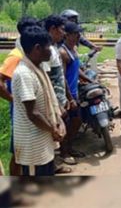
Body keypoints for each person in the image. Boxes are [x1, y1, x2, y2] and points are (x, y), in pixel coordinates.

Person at [12, 25, 66, 176]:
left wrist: (59, 122)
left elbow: (50, 99)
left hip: (43, 140)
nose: (52, 50)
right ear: (37, 48)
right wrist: (54, 130)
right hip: (33, 146)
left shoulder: (39, 68)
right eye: (48, 46)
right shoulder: (24, 74)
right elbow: (33, 113)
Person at [0, 17, 39, 176]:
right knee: (19, 151)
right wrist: (13, 100)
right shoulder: (16, 55)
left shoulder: (27, 52)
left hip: (29, 108)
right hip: (20, 112)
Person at [43, 15, 75, 171]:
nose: (64, 33)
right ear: (52, 29)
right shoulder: (46, 51)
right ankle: (53, 164)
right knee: (52, 133)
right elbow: (47, 81)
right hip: (53, 103)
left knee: (60, 131)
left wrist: (67, 97)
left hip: (60, 100)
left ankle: (56, 161)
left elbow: (60, 77)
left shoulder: (54, 48)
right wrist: (56, 105)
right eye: (62, 30)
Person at [60, 21, 91, 160]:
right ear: (66, 35)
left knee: (77, 121)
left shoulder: (74, 50)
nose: (78, 36)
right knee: (68, 123)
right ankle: (64, 152)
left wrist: (88, 79)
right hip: (68, 94)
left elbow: (76, 69)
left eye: (79, 34)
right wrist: (69, 97)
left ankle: (69, 147)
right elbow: (62, 77)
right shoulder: (63, 52)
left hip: (74, 91)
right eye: (75, 34)